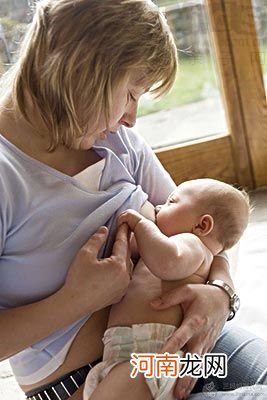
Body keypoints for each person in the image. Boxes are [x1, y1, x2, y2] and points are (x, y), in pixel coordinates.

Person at [0, 1, 266, 400]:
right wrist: (78, 300)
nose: (132, 118)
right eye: (130, 94)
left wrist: (220, 293)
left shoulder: (117, 141)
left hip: (182, 356)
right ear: (87, 69)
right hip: (108, 380)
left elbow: (207, 224)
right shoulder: (7, 174)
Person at [83, 178, 250, 400]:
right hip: (138, 353)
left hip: (152, 351)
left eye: (171, 202)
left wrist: (142, 225)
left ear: (202, 226)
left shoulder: (192, 244)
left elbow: (168, 262)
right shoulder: (196, 249)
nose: (159, 206)